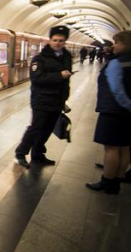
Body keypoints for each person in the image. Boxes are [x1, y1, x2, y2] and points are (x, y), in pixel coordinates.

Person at [15, 25, 73, 168]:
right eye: (55, 40)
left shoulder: (66, 57)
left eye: (61, 40)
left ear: (65, 41)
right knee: (35, 127)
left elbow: (66, 82)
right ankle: (21, 153)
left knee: (47, 129)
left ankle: (38, 155)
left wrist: (64, 100)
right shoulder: (40, 58)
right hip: (41, 100)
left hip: (57, 101)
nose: (58, 43)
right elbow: (37, 78)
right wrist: (59, 75)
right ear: (50, 41)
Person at [86, 30, 131, 194]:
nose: (114, 46)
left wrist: (128, 105)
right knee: (125, 147)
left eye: (117, 42)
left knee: (111, 148)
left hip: (113, 111)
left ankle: (107, 181)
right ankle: (117, 181)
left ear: (125, 44)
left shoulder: (116, 63)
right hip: (127, 114)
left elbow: (117, 91)